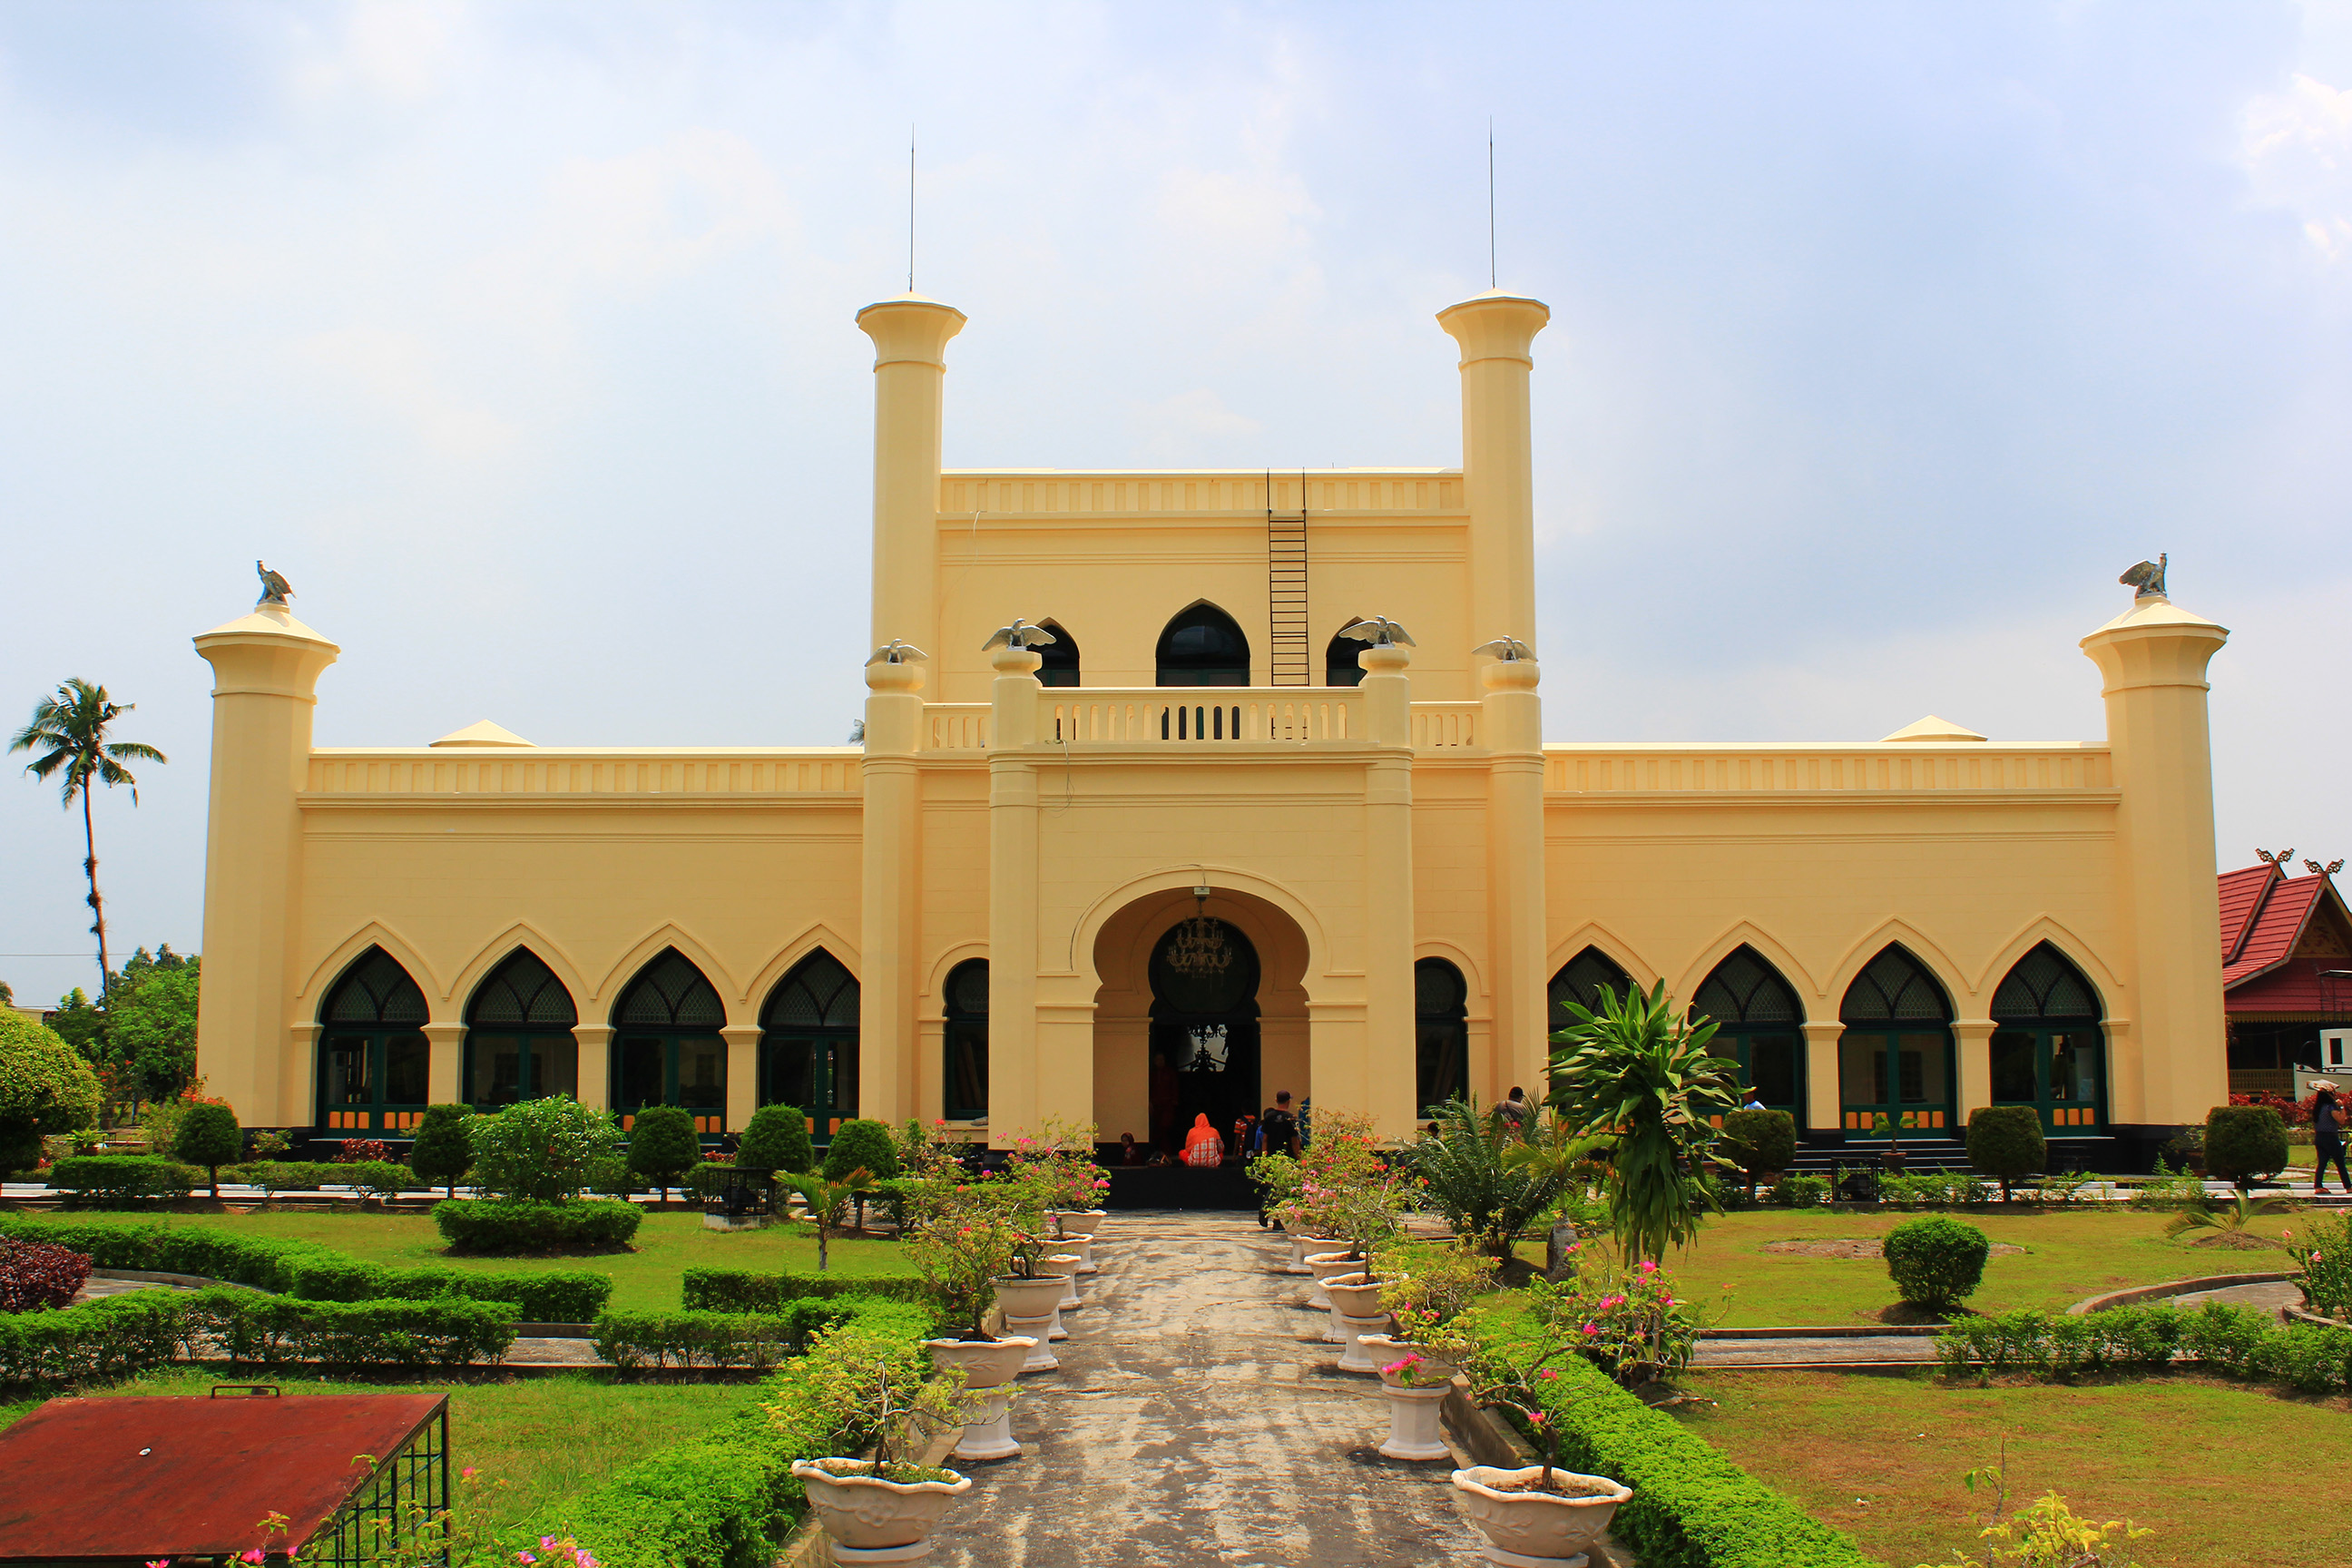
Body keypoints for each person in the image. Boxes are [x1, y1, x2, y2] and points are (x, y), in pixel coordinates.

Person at [2317, 1086, 2350, 1194]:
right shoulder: (2330, 1107)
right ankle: (2348, 1186)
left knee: (2322, 1162)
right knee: (2340, 1162)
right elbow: (2341, 1120)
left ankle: (2318, 1185)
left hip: (2319, 1137)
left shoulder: (2318, 1109)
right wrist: (2341, 1107)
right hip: (2330, 1137)